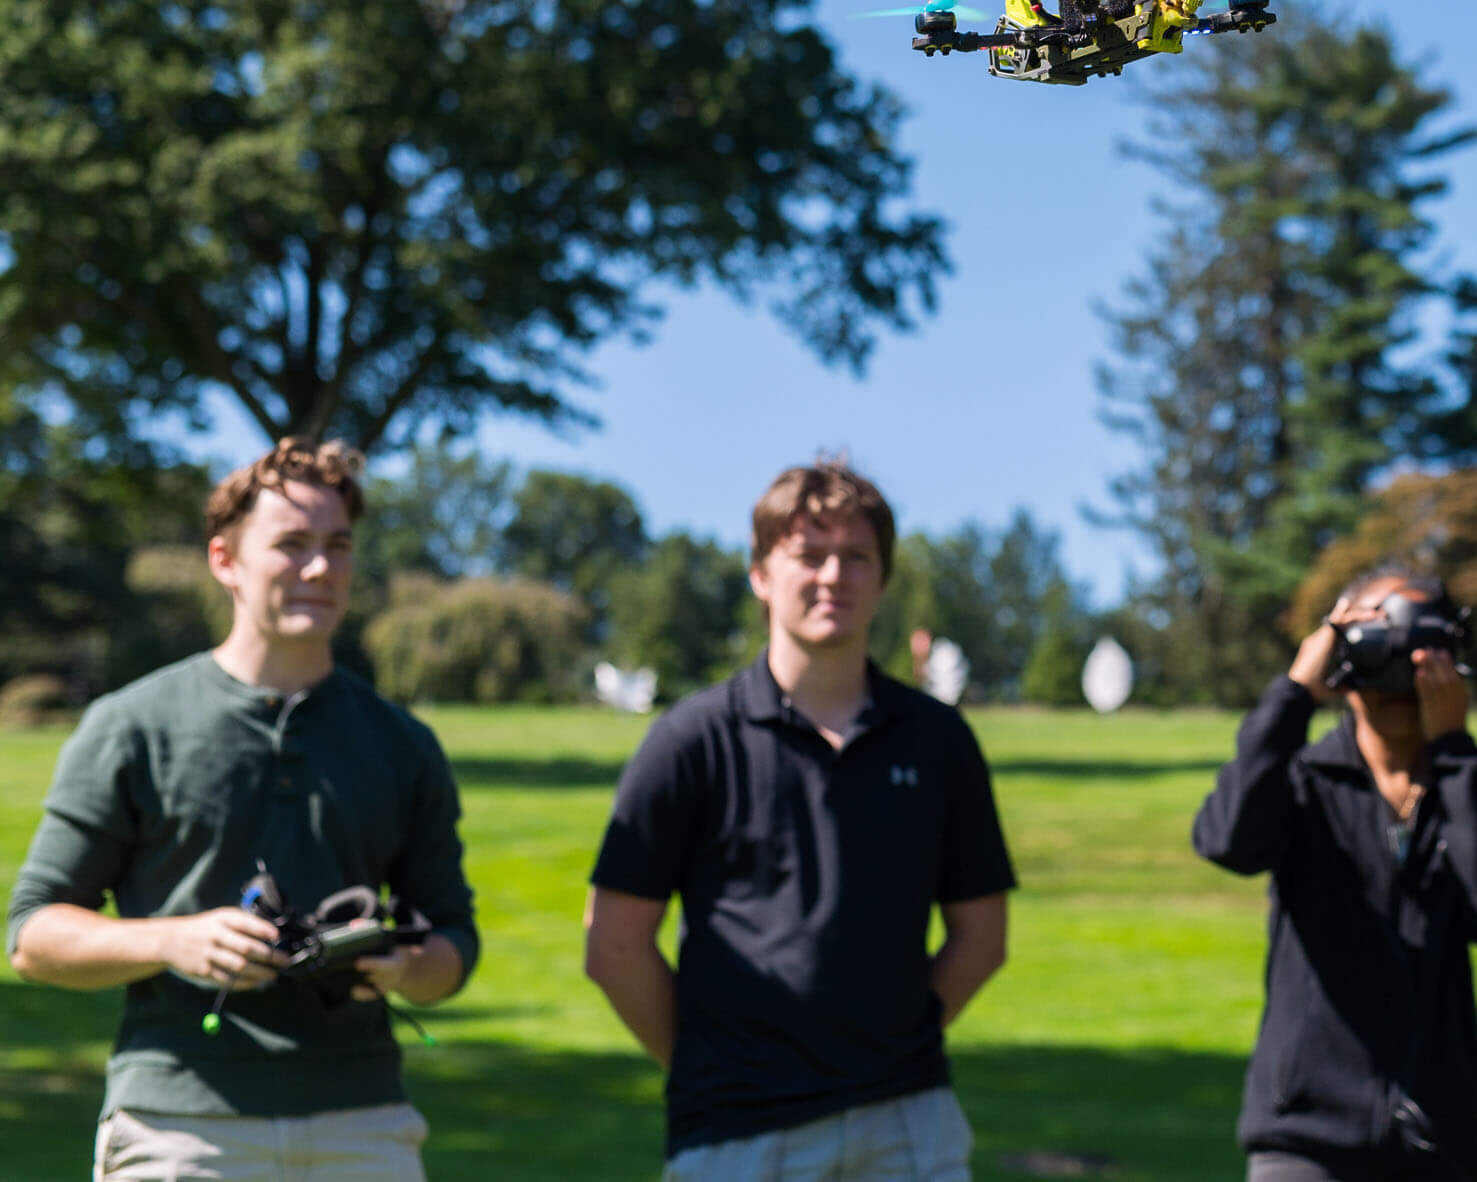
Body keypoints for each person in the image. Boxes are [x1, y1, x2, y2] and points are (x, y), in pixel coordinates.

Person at [7, 438, 479, 1182]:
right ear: (224, 559)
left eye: (338, 545)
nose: (320, 568)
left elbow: (456, 942)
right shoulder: (132, 725)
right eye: (291, 545)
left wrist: (404, 965)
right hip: (179, 1126)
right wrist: (174, 942)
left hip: (364, 1124)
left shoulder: (403, 744)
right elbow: (32, 935)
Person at [584, 457, 1015, 1181]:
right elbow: (614, 946)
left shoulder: (938, 740)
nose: (833, 577)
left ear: (883, 577)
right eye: (808, 555)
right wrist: (710, 1061)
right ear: (760, 573)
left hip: (907, 1120)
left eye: (856, 557)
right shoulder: (690, 741)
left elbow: (983, 936)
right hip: (735, 1130)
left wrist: (887, 1044)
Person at [1192, 565, 1477, 1181]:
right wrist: (1296, 689)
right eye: (1374, 648)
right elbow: (1227, 839)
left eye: (1416, 653)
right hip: (1307, 1136)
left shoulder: (1471, 792)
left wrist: (1454, 753)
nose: (1395, 680)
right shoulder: (1301, 782)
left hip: (1446, 1141)